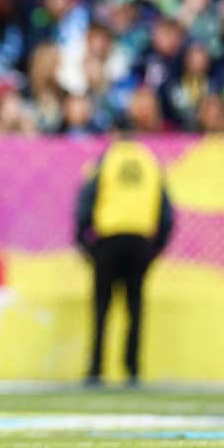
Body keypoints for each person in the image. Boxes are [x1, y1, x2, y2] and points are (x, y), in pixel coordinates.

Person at [75, 137, 174, 386]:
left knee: (101, 307)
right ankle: (132, 369)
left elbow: (86, 201)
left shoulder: (107, 159)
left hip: (109, 238)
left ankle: (96, 369)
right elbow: (165, 210)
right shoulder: (150, 161)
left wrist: (85, 241)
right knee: (135, 307)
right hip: (140, 239)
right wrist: (157, 246)